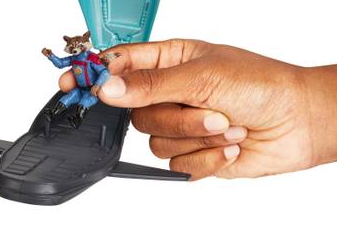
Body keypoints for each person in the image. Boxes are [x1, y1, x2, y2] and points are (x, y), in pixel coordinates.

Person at [58, 39, 337, 180]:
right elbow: (63, 63)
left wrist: (306, 111)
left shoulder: (97, 64)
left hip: (93, 94)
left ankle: (74, 112)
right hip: (86, 94)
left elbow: (104, 73)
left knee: (81, 102)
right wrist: (306, 112)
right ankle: (61, 112)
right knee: (70, 98)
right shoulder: (82, 61)